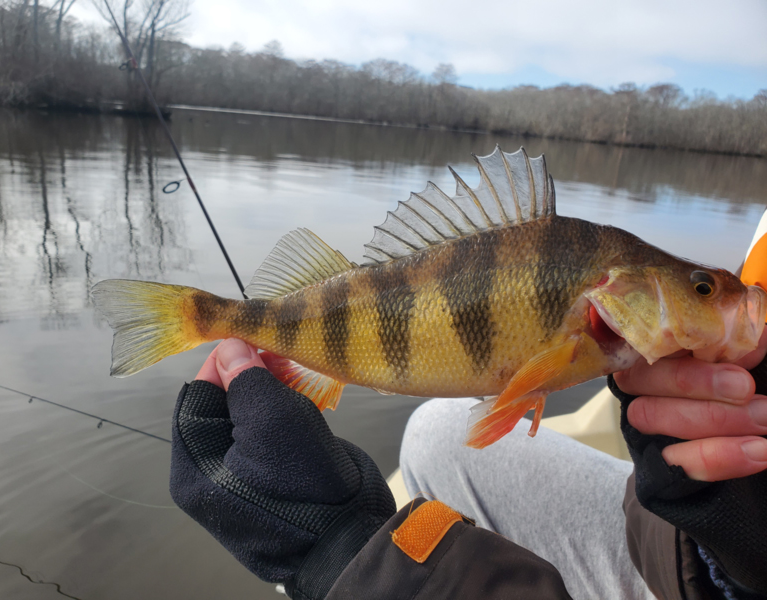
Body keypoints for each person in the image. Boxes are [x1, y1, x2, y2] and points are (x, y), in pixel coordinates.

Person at [170, 220, 767, 599]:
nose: (732, 297)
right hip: (681, 553)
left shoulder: (608, 330)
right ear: (612, 291)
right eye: (703, 289)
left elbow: (517, 392)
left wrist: (339, 552)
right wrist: (735, 536)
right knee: (438, 429)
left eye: (703, 288)